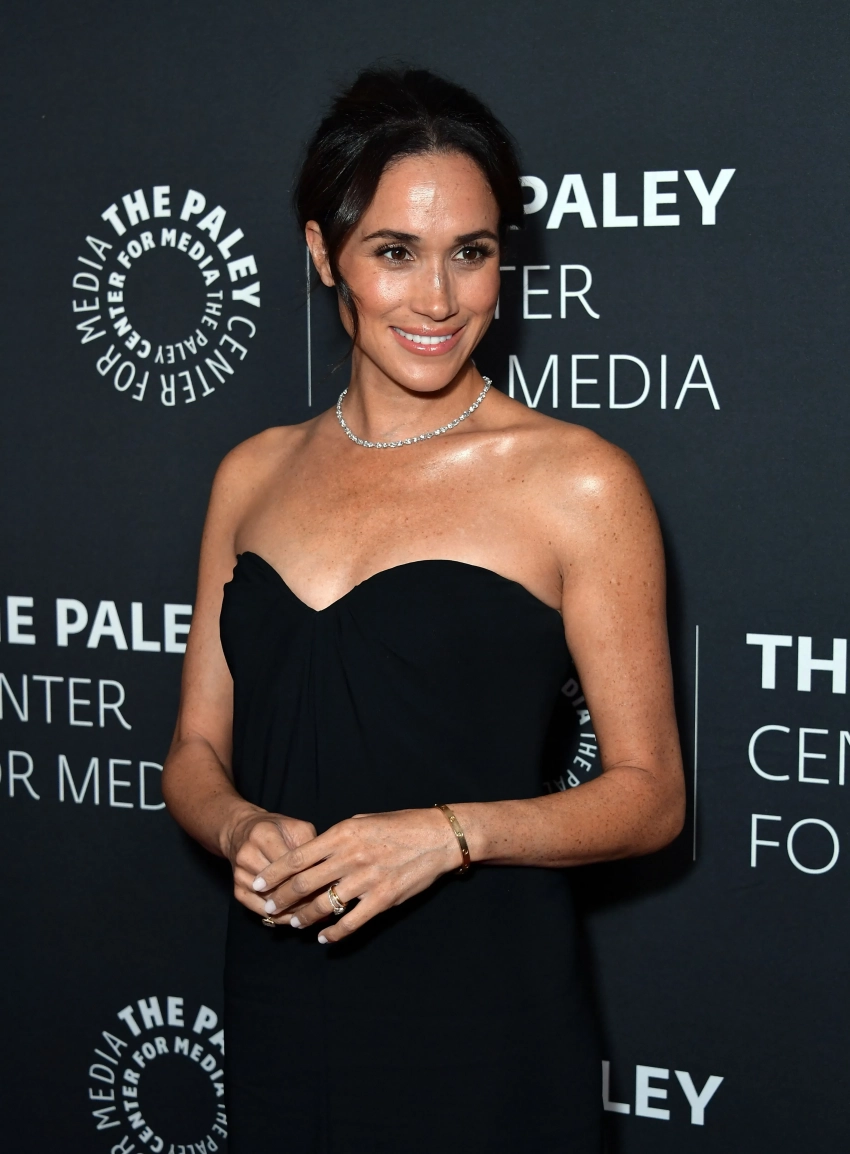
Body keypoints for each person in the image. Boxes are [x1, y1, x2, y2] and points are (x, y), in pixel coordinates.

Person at [162, 66, 685, 1153]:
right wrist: (239, 826)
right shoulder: (250, 475)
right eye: (395, 251)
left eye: (472, 252)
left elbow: (649, 798)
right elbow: (196, 751)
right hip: (280, 1001)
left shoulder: (578, 481)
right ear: (324, 254)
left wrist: (447, 836)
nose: (440, 300)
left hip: (483, 1018)